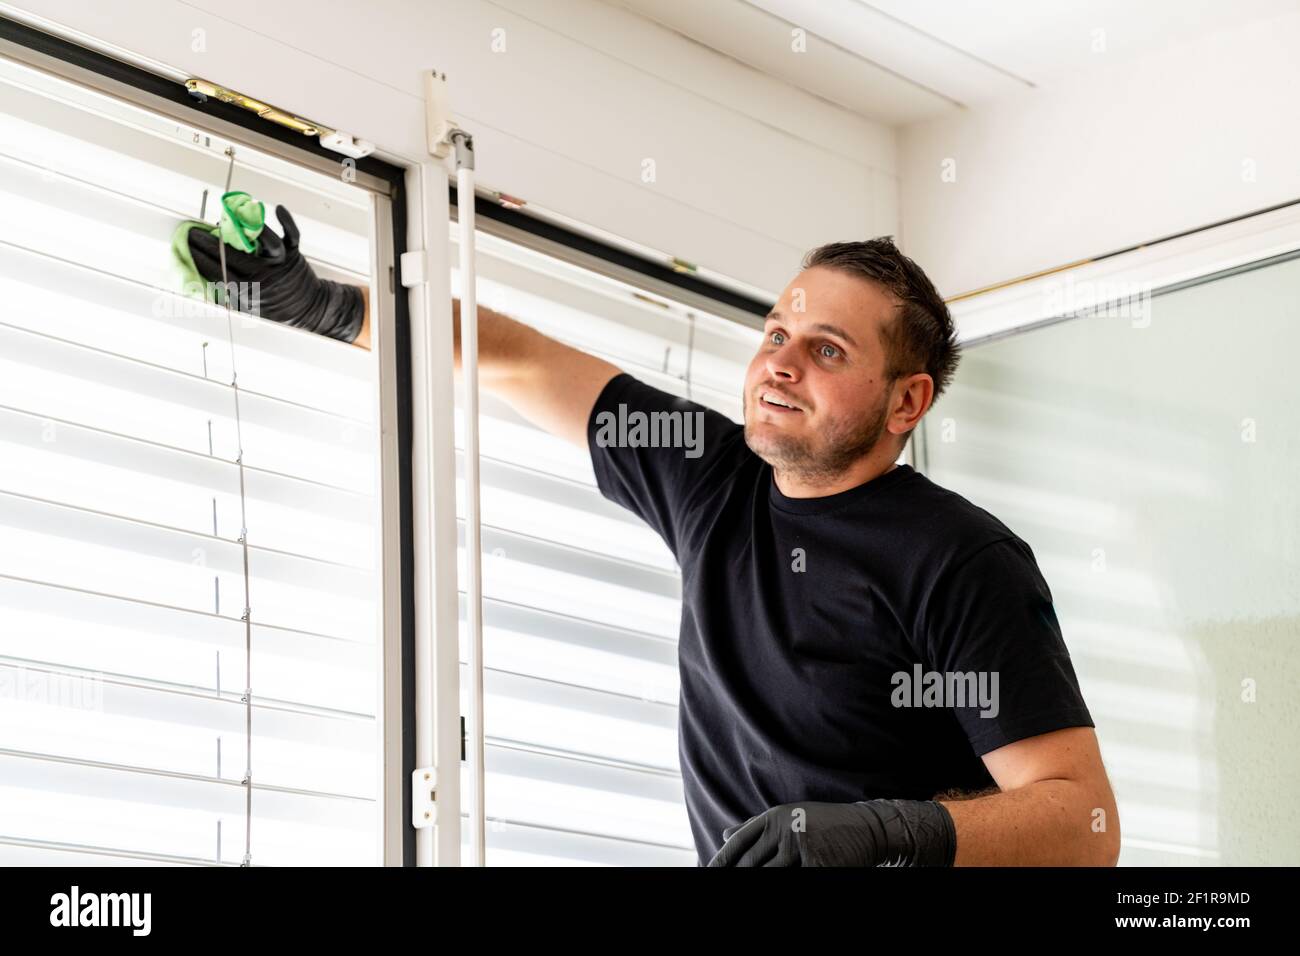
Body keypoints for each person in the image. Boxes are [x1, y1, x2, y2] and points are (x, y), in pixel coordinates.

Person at [204, 217, 1120, 867]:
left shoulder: (959, 561)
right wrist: (321, 305)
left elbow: (1083, 821)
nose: (780, 363)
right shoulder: (709, 477)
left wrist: (887, 833)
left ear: (906, 402)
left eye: (829, 350)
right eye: (776, 332)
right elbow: (518, 358)